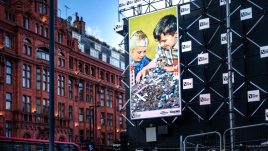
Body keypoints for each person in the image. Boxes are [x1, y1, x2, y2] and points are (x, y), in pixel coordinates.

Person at [136, 14, 179, 82]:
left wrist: (165, 68)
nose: (161, 45)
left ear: (176, 34)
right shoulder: (162, 45)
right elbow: (155, 61)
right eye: (159, 41)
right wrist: (144, 69)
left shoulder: (183, 45)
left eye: (164, 41)